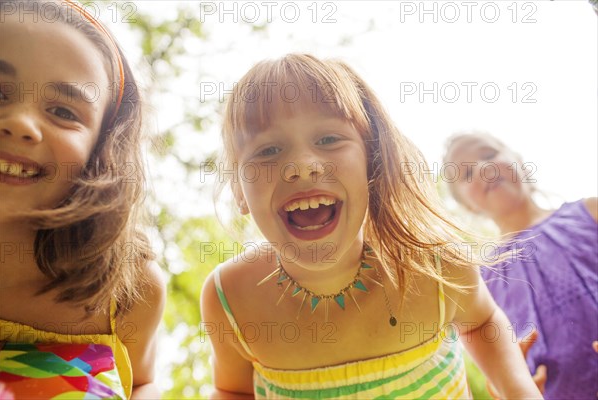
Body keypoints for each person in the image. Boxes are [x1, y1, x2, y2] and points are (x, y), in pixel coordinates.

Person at [200, 53, 542, 399]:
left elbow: (482, 322)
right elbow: (233, 390)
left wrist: (519, 390)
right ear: (238, 192)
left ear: (373, 161)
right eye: (269, 149)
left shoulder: (433, 261)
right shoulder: (231, 299)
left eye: (328, 139)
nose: (302, 166)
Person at [0, 0, 165, 398]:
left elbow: (142, 382)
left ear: (101, 152)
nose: (21, 123)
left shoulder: (129, 289)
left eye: (61, 110)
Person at [443, 131, 598, 399]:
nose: (483, 168)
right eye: (466, 174)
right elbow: (496, 377)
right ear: (468, 207)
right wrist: (509, 388)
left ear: (520, 162)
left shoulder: (589, 211)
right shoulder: (478, 280)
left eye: (489, 155)